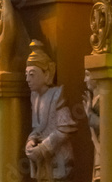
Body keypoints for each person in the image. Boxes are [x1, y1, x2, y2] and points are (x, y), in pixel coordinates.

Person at [25, 39, 76, 180]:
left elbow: (65, 128)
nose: (27, 79)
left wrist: (45, 147)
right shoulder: (34, 97)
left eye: (32, 74)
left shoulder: (56, 95)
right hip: (42, 161)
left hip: (57, 158)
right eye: (26, 74)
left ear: (46, 73)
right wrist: (31, 142)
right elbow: (37, 128)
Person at [83, 69, 100, 182]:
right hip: (98, 146)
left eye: (88, 75)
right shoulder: (95, 99)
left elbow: (108, 126)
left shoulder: (104, 99)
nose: (85, 80)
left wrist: (90, 114)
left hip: (104, 148)